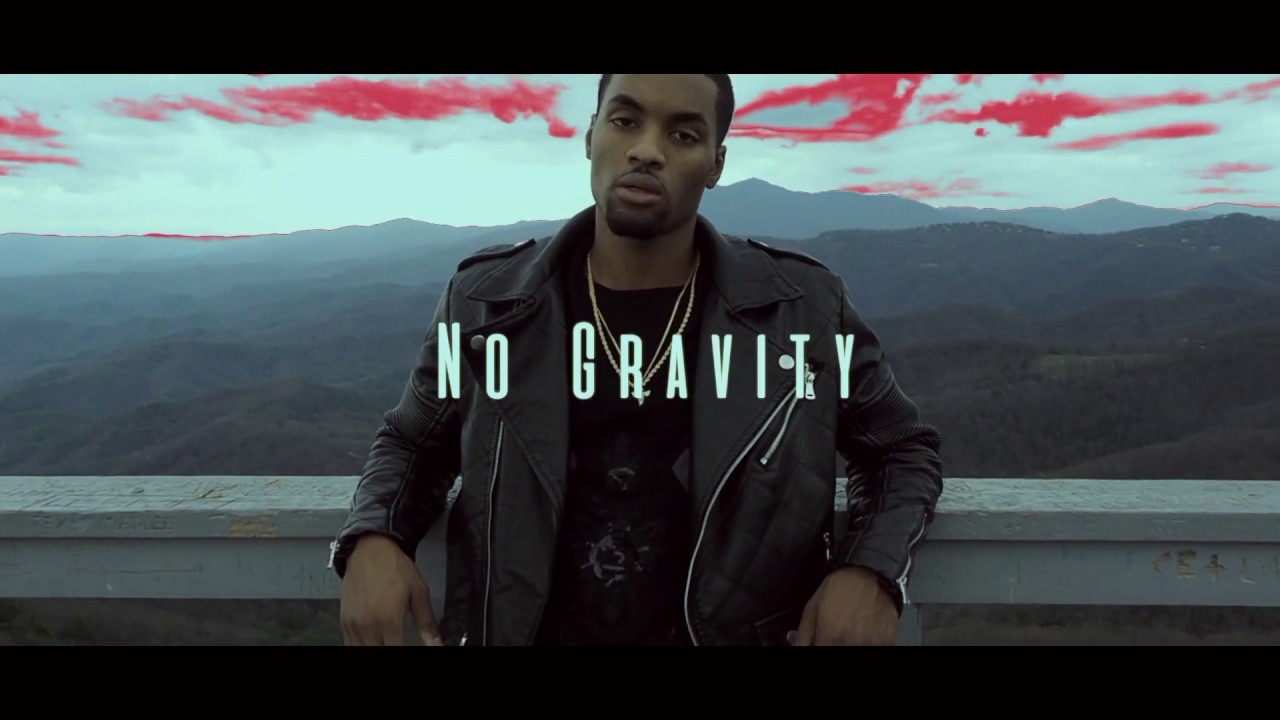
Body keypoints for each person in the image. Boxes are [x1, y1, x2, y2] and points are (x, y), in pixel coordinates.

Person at [330, 73, 943, 646]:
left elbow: (900, 448)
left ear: (716, 164)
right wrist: (375, 536)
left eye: (683, 135)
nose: (647, 150)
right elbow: (412, 443)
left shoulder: (800, 311)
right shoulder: (487, 305)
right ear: (590, 135)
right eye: (626, 121)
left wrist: (871, 571)